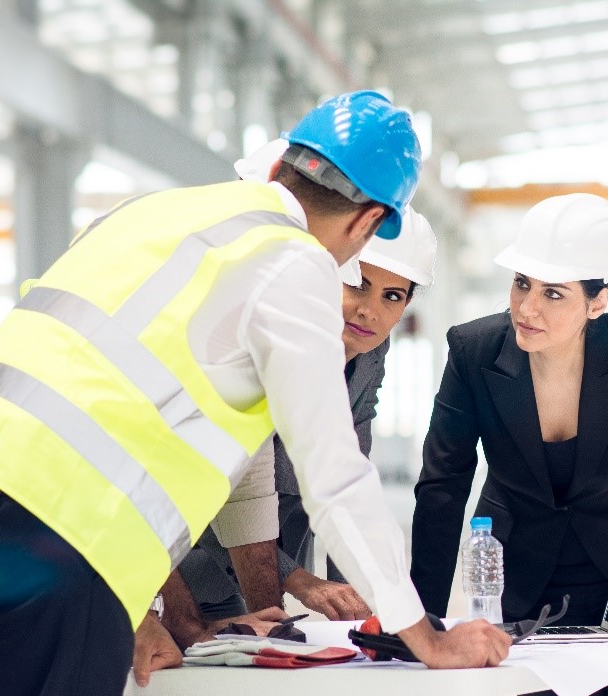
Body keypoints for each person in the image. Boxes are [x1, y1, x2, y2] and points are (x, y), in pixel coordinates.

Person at [0, 90, 509, 696]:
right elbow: (337, 481)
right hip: (60, 533)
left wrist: (146, 613)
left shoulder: (150, 213)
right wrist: (427, 637)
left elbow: (95, 397)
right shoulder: (293, 263)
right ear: (368, 221)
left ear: (279, 170)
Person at [410, 193, 608, 696]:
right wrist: (421, 621)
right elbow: (442, 487)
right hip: (517, 578)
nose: (527, 307)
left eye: (553, 294)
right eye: (521, 284)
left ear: (598, 301)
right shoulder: (473, 351)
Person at [180, 191, 438, 624]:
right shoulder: (263, 332)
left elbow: (350, 469)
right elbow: (219, 489)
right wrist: (298, 579)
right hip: (191, 560)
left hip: (277, 553)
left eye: (392, 296)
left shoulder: (370, 351)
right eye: (358, 284)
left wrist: (358, 604)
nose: (369, 311)